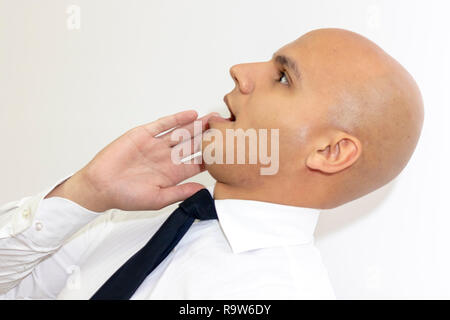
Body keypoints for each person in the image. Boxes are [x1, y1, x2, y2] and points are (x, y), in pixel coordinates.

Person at [0, 28, 424, 299]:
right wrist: (85, 192)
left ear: (330, 153)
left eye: (283, 78)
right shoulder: (125, 224)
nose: (239, 71)